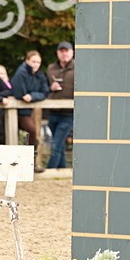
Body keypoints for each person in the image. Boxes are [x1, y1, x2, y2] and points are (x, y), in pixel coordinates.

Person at [11, 50, 49, 172]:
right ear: (27, 60)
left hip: (26, 112)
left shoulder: (40, 74)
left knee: (32, 134)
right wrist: (29, 96)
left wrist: (32, 96)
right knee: (29, 132)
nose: (36, 64)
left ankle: (30, 163)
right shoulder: (21, 73)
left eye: (38, 62)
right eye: (33, 61)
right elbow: (19, 93)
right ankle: (25, 163)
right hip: (15, 111)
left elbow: (45, 92)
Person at [46, 41, 75, 169]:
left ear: (72, 52)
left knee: (55, 145)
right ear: (58, 53)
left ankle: (49, 170)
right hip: (53, 112)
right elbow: (44, 88)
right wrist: (50, 87)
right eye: (61, 51)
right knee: (60, 145)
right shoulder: (51, 68)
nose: (64, 54)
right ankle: (62, 171)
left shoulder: (79, 68)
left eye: (67, 51)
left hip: (69, 113)